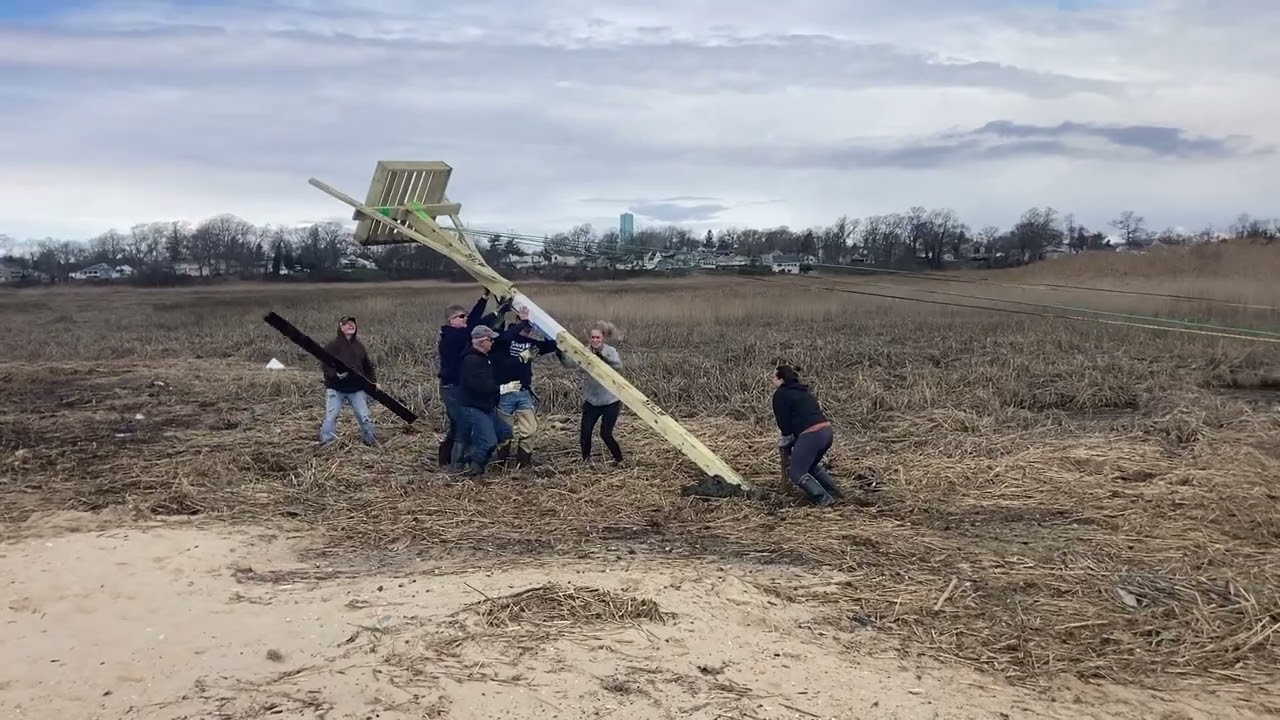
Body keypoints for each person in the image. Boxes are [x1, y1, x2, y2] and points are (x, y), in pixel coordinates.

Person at [436, 290, 505, 470]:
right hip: (451, 388)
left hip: (458, 387)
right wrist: (493, 311)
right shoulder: (452, 337)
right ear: (451, 320)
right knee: (461, 424)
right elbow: (474, 326)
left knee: (460, 424)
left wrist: (487, 300)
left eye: (465, 315)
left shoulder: (460, 333)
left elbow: (474, 323)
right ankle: (455, 464)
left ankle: (449, 459)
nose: (465, 318)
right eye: (461, 316)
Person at [492, 306, 560, 469]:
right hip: (505, 391)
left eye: (530, 325)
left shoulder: (532, 345)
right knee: (504, 432)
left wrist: (544, 328)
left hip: (523, 392)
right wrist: (522, 322)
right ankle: (501, 463)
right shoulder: (504, 339)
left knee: (530, 430)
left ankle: (523, 462)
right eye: (525, 323)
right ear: (517, 321)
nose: (528, 327)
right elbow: (504, 338)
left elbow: (552, 345)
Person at [771, 364, 844, 506]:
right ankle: (834, 493)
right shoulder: (803, 391)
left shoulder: (781, 394)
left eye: (773, 377)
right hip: (826, 432)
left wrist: (787, 439)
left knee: (796, 473)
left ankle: (824, 499)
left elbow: (783, 421)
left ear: (781, 380)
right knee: (810, 466)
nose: (771, 380)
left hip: (812, 435)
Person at [560, 321, 625, 465]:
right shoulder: (584, 352)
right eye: (593, 337)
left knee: (605, 434)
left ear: (603, 339)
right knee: (585, 431)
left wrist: (602, 357)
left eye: (598, 338)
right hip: (592, 401)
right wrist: (561, 352)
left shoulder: (610, 351)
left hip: (610, 400)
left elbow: (618, 366)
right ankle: (586, 460)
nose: (595, 340)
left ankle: (619, 460)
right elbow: (570, 364)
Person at [457, 324, 514, 476]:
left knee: (505, 432)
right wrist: (503, 388)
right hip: (473, 407)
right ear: (481, 341)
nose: (493, 342)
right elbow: (480, 386)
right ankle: (474, 468)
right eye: (490, 339)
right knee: (489, 441)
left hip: (486, 406)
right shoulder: (471, 361)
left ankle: (486, 458)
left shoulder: (484, 358)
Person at [319, 315, 378, 446]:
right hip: (336, 388)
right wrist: (334, 374)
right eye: (347, 324)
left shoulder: (359, 347)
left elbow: (368, 367)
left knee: (364, 417)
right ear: (341, 327)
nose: (351, 325)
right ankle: (326, 443)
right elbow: (325, 365)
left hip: (356, 389)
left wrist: (372, 382)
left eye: (353, 323)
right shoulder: (332, 346)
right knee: (331, 417)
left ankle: (371, 441)